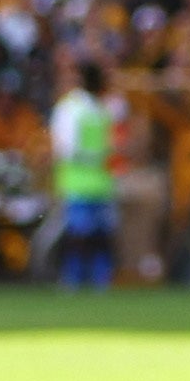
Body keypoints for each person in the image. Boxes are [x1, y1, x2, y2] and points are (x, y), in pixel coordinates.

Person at [46, 60, 123, 289]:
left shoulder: (101, 109)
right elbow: (66, 148)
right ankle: (74, 279)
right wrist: (97, 155)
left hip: (101, 183)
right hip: (78, 182)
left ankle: (101, 280)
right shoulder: (71, 108)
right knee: (79, 234)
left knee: (102, 235)